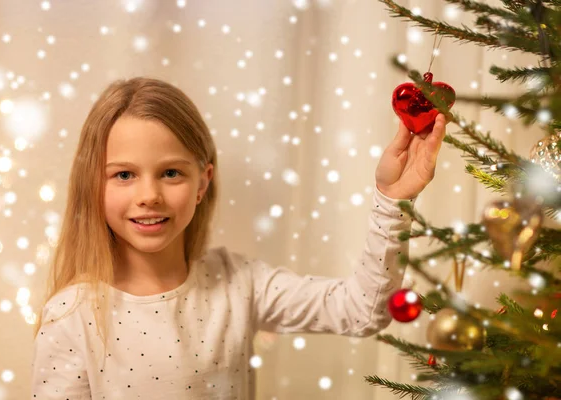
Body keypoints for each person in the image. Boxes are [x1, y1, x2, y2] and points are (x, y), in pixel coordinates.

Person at [31, 76, 447, 399]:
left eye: (170, 172)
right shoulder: (71, 315)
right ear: (94, 184)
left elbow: (363, 311)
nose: (149, 196)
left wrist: (392, 202)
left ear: (202, 182)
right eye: (124, 174)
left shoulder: (237, 282)